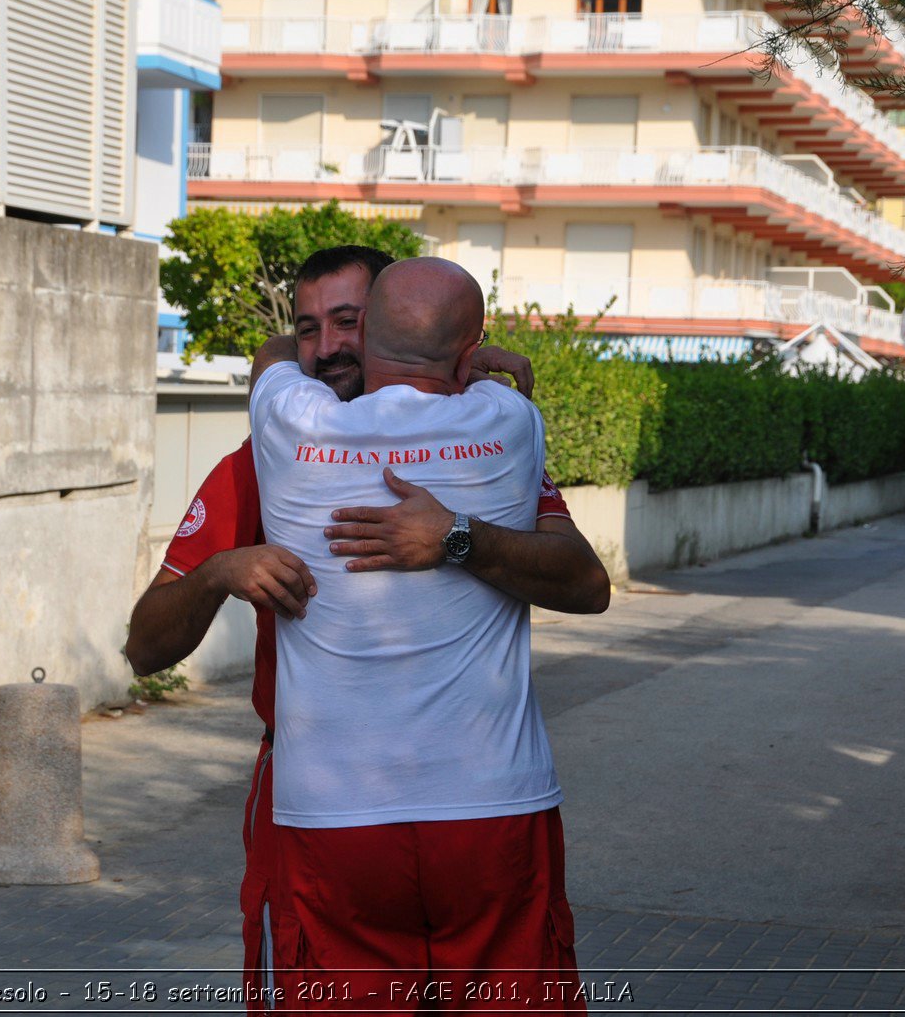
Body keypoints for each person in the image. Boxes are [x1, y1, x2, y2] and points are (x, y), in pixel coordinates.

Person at [124, 246, 610, 1013]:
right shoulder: (262, 462)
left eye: (349, 322)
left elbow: (586, 583)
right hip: (332, 807)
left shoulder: (298, 432)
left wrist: (461, 535)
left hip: (364, 821)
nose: (326, 348)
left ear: (380, 328)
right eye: (306, 328)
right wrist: (221, 570)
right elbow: (144, 647)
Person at [247, 257, 588, 1014]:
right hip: (491, 806)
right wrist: (473, 372)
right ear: (470, 356)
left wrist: (311, 345)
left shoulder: (290, 423)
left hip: (333, 816)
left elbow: (272, 359)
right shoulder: (509, 422)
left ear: (362, 330)